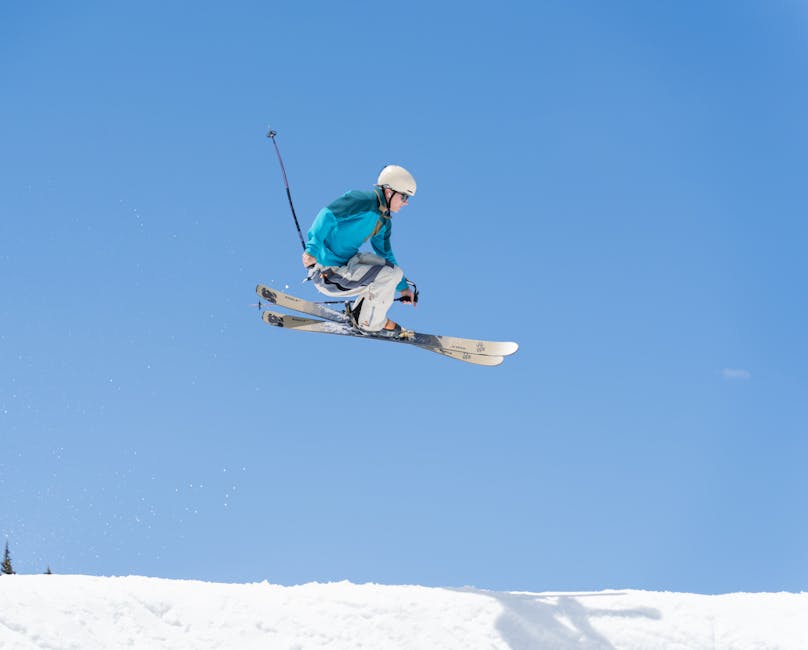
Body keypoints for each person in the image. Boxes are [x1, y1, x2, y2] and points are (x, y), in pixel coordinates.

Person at [301, 164, 417, 338]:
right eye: (404, 196)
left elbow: (386, 255)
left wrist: (403, 288)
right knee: (388, 275)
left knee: (394, 272)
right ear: (388, 191)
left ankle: (361, 312)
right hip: (328, 272)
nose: (406, 202)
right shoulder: (362, 200)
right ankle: (369, 323)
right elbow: (327, 215)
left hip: (348, 267)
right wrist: (312, 249)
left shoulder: (383, 221)